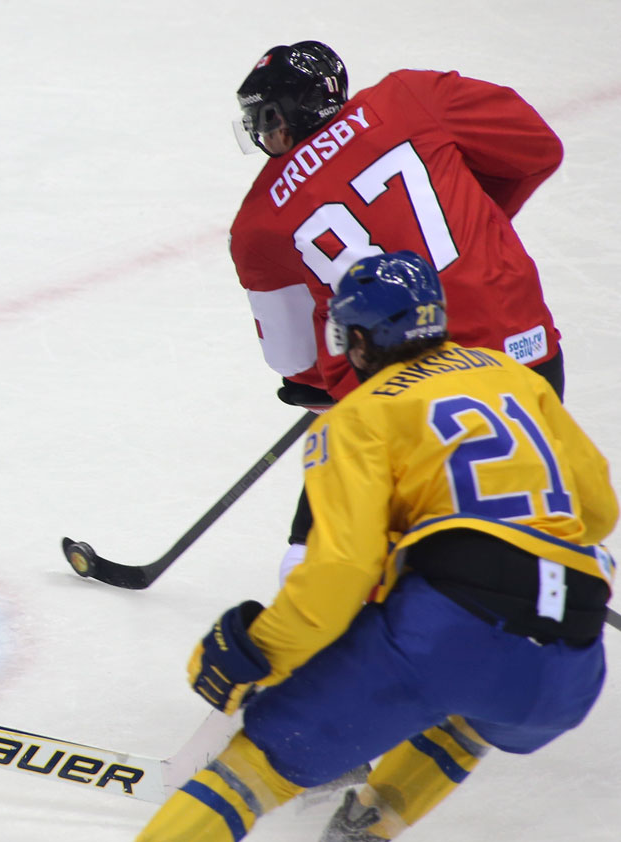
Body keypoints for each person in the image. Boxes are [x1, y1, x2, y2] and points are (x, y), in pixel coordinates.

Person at [124, 252, 616, 842]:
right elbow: (598, 511)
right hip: (572, 664)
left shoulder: (356, 419)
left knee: (253, 769)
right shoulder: (507, 374)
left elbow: (340, 571)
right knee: (467, 716)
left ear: (360, 339)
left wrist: (260, 651)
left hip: (449, 631)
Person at [228, 40, 569, 578]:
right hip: (524, 358)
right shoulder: (411, 96)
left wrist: (325, 385)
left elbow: (294, 362)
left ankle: (318, 590)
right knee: (510, 526)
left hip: (403, 404)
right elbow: (537, 148)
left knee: (349, 550)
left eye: (267, 119)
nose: (266, 133)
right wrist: (478, 226)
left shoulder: (257, 224)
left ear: (288, 116)